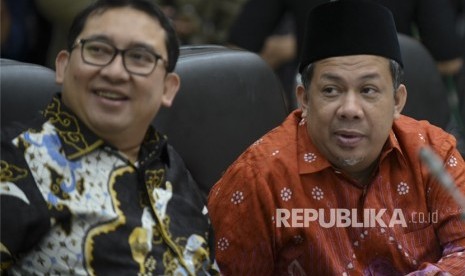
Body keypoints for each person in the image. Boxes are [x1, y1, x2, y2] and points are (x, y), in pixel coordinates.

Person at [208, 0, 465, 274]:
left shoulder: (433, 153)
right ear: (304, 100)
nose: (350, 110)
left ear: (397, 101)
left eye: (368, 90)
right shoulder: (257, 181)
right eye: (331, 90)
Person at [0, 0, 219, 275]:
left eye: (140, 57)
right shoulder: (15, 163)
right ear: (63, 67)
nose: (115, 72)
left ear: (168, 88)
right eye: (98, 50)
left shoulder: (168, 162)